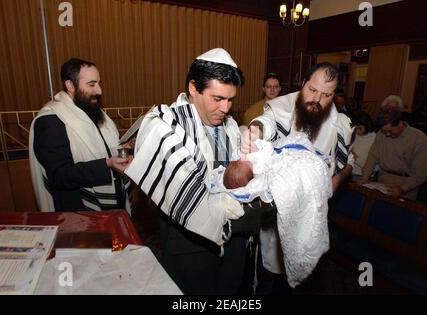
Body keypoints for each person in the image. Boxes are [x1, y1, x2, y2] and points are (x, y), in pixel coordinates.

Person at [125, 48, 270, 295]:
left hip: (234, 247)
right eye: (217, 98)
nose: (226, 108)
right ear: (194, 88)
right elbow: (189, 197)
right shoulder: (166, 126)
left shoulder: (231, 125)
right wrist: (259, 213)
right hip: (190, 250)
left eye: (230, 99)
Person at [241, 62, 355, 293]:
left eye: (326, 95)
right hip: (275, 215)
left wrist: (339, 178)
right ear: (303, 84)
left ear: (334, 95)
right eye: (312, 90)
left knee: (303, 276)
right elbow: (268, 124)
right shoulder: (281, 107)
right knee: (270, 277)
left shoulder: (340, 124)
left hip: (312, 213)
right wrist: (255, 131)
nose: (317, 99)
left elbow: (349, 161)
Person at [212, 131, 332, 289]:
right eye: (241, 163)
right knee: (269, 276)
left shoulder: (243, 160)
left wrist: (251, 147)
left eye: (237, 161)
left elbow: (245, 153)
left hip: (280, 153)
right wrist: (261, 150)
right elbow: (266, 156)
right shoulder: (258, 168)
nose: (241, 159)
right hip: (281, 162)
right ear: (251, 177)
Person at [29, 58, 131, 212]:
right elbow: (59, 175)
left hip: (113, 206)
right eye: (91, 84)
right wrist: (107, 164)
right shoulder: (51, 120)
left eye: (99, 83)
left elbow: (103, 147)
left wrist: (122, 148)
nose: (99, 91)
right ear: (70, 85)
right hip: (78, 210)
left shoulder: (91, 110)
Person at [360, 107, 427, 200]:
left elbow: (420, 174)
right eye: (385, 131)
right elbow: (372, 157)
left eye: (390, 131)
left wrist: (402, 188)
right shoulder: (381, 134)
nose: (387, 134)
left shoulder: (419, 139)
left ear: (401, 123)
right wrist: (365, 177)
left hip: (406, 185)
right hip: (382, 181)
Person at [351, 111, 376, 177]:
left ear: (367, 125)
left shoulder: (375, 139)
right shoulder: (354, 135)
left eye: (359, 128)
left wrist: (355, 157)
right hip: (350, 172)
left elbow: (375, 167)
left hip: (363, 176)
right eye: (355, 128)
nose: (356, 131)